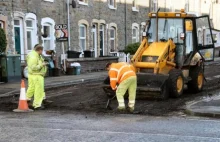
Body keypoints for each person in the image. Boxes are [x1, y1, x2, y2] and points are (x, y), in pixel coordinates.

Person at [26, 44, 47, 110]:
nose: (42, 52)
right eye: (42, 50)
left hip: (33, 75)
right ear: (40, 50)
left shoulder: (34, 55)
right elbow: (33, 67)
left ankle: (26, 100)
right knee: (39, 90)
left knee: (31, 88)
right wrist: (42, 65)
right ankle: (37, 105)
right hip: (37, 75)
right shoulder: (34, 57)